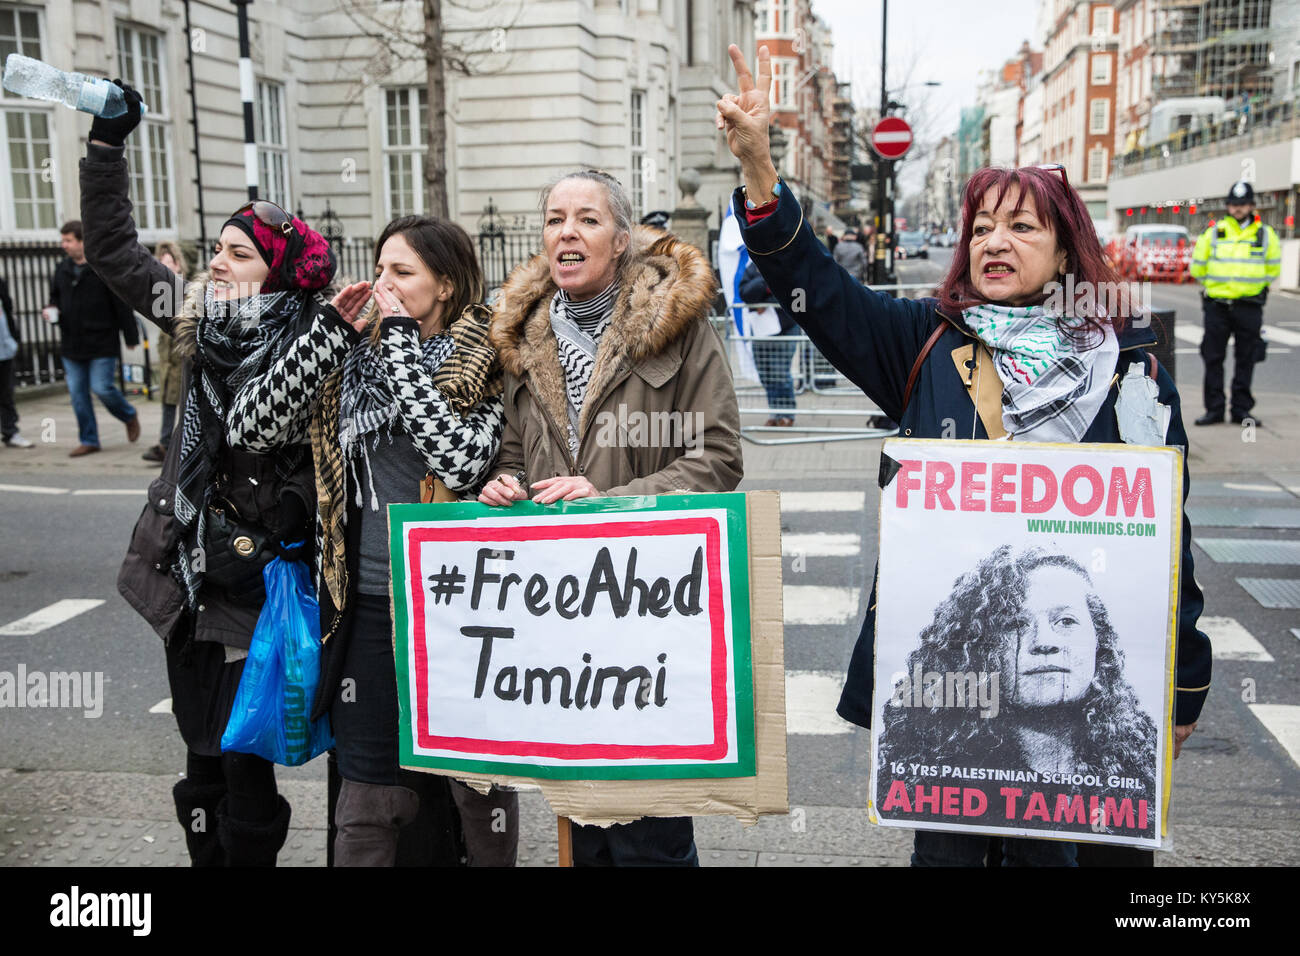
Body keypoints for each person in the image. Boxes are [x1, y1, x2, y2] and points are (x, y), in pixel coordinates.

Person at [717, 44, 1210, 867]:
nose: (995, 241)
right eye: (983, 227)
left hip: (1083, 708)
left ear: (1064, 252)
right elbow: (821, 293)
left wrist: (1182, 681)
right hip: (961, 700)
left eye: (1022, 227)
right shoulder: (926, 341)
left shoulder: (1131, 365)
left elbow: (1170, 537)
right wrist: (762, 176)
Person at [80, 82, 350, 865]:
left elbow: (329, 461)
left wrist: (282, 521)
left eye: (241, 255)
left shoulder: (319, 346)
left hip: (260, 584)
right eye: (219, 251)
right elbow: (112, 253)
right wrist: (107, 149)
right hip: (190, 570)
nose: (220, 267)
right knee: (201, 757)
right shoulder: (199, 316)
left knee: (242, 762)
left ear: (281, 273)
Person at [478, 168, 743, 866]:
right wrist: (504, 483)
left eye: (588, 219)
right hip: (560, 613)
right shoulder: (522, 337)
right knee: (581, 827)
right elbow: (514, 447)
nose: (568, 231)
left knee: (648, 831)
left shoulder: (678, 328)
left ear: (622, 240)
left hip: (646, 607)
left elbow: (717, 457)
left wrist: (610, 502)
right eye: (555, 218)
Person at [233, 214, 514, 867]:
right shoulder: (349, 355)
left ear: (444, 286)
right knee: (364, 791)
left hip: (458, 609)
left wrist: (403, 347)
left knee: (476, 783)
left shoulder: (486, 353)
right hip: (364, 603)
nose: (384, 282)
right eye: (381, 268)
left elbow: (460, 461)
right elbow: (254, 425)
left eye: (403, 272)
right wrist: (328, 334)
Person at [877, 546, 1158, 842]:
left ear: (1099, 641)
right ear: (976, 649)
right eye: (1015, 625)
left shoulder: (1136, 764)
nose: (1044, 642)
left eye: (1066, 621)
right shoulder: (936, 770)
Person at [44, 220, 141, 456]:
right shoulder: (62, 269)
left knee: (102, 388)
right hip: (71, 343)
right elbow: (54, 297)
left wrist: (130, 335)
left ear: (82, 242)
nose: (63, 245)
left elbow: (122, 304)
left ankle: (128, 415)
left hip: (101, 342)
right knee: (78, 394)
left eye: (68, 240)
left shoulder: (102, 270)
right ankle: (89, 439)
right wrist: (51, 310)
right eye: (63, 240)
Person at [1189, 180, 1281, 427]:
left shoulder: (1265, 234)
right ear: (1228, 206)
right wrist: (1219, 288)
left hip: (1249, 306)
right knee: (1213, 357)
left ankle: (1241, 409)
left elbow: (1273, 269)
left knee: (1246, 358)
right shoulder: (1214, 232)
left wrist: (1249, 288)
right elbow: (1197, 268)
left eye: (1243, 204)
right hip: (1217, 305)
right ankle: (1214, 409)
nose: (1238, 208)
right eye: (1234, 204)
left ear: (1251, 205)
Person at [142, 241, 189, 463]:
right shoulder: (162, 291)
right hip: (168, 359)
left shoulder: (186, 289)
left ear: (178, 265)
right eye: (161, 264)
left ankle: (178, 445)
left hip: (182, 354)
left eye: (169, 263)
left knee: (185, 402)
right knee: (168, 401)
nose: (165, 268)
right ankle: (166, 444)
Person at [738, 259, 798, 426]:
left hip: (785, 327)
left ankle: (787, 414)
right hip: (761, 329)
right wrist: (766, 282)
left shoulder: (786, 262)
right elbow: (744, 292)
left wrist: (765, 300)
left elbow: (792, 293)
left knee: (780, 372)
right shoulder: (753, 267)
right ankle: (775, 412)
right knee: (766, 374)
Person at [1, 275, 34, 448]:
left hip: (3, 347)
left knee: (6, 392)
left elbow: (8, 309)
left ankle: (10, 432)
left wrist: (14, 340)